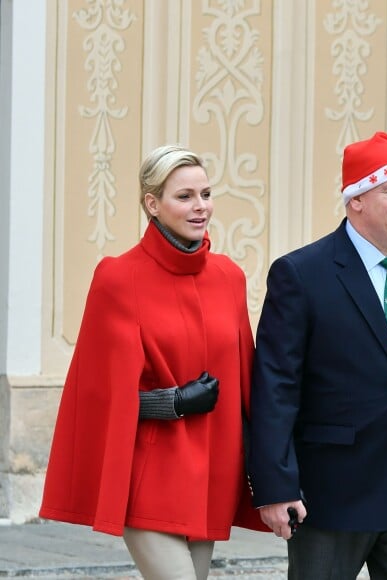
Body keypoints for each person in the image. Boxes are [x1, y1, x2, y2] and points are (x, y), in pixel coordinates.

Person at [249, 132, 387, 579]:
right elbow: (276, 387)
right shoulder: (301, 274)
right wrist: (275, 486)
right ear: (356, 200)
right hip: (333, 495)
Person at [40, 144, 266, 580]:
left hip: (212, 475)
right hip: (149, 472)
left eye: (205, 193)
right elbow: (100, 395)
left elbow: (247, 385)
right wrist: (175, 401)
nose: (200, 207)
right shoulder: (117, 278)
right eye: (184, 196)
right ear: (152, 204)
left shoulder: (229, 278)